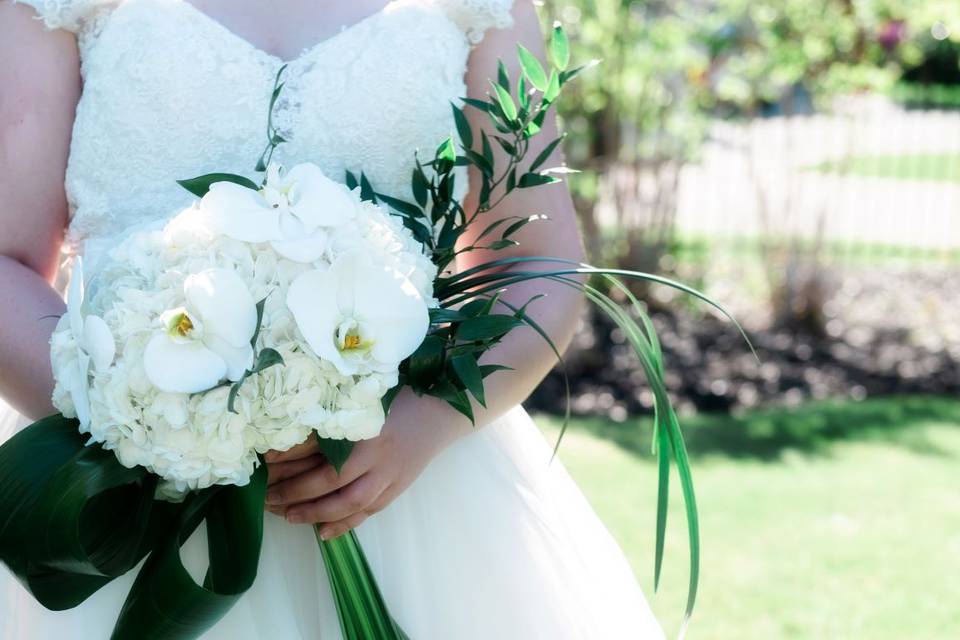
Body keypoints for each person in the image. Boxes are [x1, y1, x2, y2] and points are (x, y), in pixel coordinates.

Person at [0, 1, 665, 637]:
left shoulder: (479, 6)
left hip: (406, 492)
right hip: (130, 493)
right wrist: (136, 419)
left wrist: (422, 425)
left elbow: (537, 270)